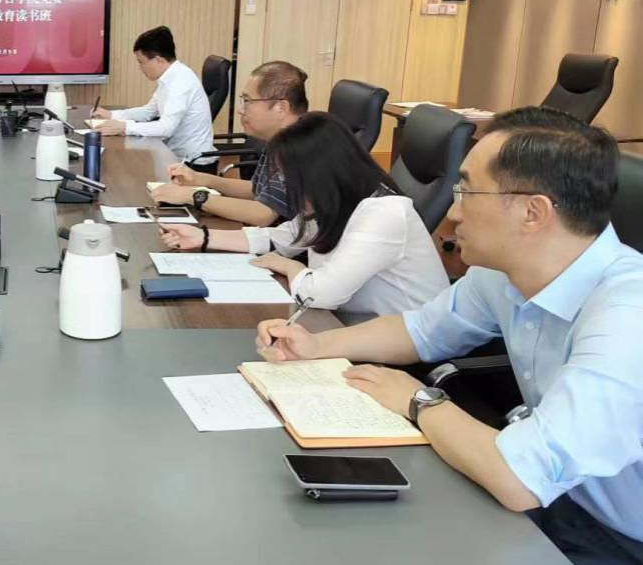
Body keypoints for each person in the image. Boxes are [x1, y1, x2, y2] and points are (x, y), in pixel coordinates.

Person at [255, 107, 643, 565]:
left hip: (616, 535)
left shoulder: (628, 315)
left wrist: (418, 401)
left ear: (532, 212)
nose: (453, 213)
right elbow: (421, 330)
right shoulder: (504, 270)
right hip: (557, 497)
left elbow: (520, 480)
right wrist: (317, 346)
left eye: (466, 190)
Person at [160, 112, 447, 316]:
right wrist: (203, 237)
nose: (290, 189)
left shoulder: (384, 214)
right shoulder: (337, 200)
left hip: (399, 348)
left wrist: (289, 267)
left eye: (292, 179)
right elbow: (282, 237)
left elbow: (320, 293)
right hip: (349, 322)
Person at [151, 59, 307, 227]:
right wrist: (201, 179)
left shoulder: (301, 146)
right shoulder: (280, 139)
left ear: (281, 108)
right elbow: (257, 190)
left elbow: (263, 214)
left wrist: (193, 197)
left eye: (248, 101)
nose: (240, 110)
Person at [91, 26, 214, 162]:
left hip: (191, 163)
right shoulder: (169, 78)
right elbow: (148, 112)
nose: (140, 68)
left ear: (158, 60)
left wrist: (124, 127)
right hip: (172, 155)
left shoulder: (180, 82)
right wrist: (111, 115)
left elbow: (166, 128)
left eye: (141, 62)